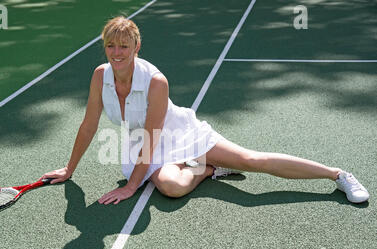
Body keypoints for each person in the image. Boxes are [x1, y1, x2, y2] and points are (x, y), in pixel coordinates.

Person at [42, 16, 369, 205]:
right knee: (170, 188)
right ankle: (209, 170)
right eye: (110, 46)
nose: (116, 53)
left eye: (123, 46)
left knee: (250, 162)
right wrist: (69, 169)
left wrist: (130, 187)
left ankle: (337, 174)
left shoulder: (156, 82)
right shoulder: (101, 76)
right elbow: (88, 126)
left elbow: (155, 137)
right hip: (143, 142)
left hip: (176, 133)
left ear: (136, 47)